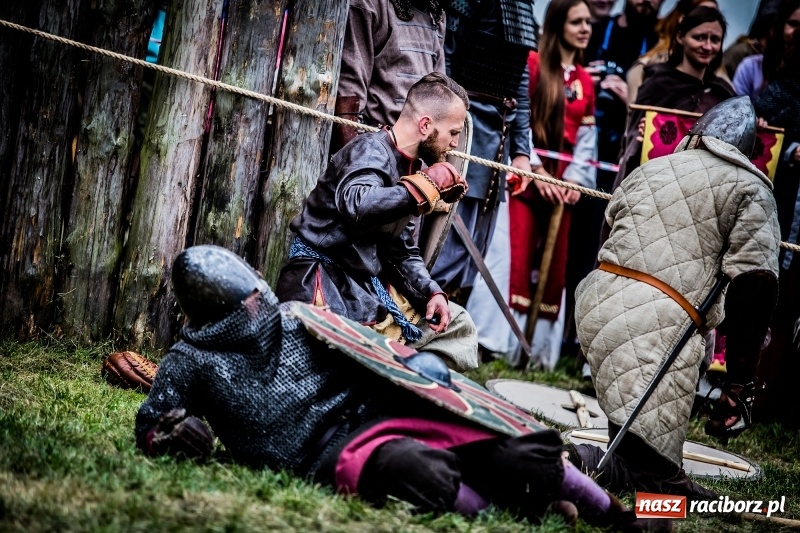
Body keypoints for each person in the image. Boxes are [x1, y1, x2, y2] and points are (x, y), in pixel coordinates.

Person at [134, 244, 669, 531]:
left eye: (257, 293)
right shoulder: (192, 360)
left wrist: (425, 376)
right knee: (423, 471)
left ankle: (624, 518)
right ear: (219, 314)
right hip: (332, 451)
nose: (260, 302)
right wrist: (175, 432)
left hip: (382, 411)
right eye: (249, 301)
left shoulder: (298, 316)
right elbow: (153, 423)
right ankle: (516, 512)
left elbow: (377, 355)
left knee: (523, 451)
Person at [570, 97, 780, 499]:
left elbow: (607, 237)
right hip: (660, 327)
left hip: (597, 305)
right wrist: (739, 384)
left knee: (635, 455)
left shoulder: (651, 169)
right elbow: (755, 286)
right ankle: (584, 467)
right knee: (661, 486)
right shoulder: (751, 188)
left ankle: (585, 466)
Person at [276, 72, 478, 371]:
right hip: (324, 287)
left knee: (458, 326)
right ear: (425, 125)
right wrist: (422, 187)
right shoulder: (369, 150)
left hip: (361, 288)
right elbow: (356, 204)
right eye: (452, 132)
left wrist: (430, 292)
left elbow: (401, 251)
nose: (455, 143)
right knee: (349, 369)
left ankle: (397, 389)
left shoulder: (409, 167)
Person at [467, 0, 597, 369]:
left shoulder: (584, 81)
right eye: (577, 21)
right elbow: (520, 119)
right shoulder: (535, 64)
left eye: (588, 21)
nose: (586, 28)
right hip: (525, 178)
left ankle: (536, 355)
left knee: (553, 267)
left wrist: (574, 181)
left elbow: (586, 140)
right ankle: (493, 343)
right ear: (559, 25)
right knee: (512, 257)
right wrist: (535, 169)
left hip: (563, 186)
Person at [428, 0, 539, 300]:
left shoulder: (521, 5)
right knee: (443, 245)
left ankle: (443, 332)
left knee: (473, 250)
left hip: (498, 140)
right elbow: (444, 65)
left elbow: (519, 80)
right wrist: (448, 129)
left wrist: (521, 153)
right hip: (463, 131)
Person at [613, 6, 734, 190]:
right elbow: (632, 143)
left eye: (715, 39)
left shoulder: (723, 94)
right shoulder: (658, 84)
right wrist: (644, 136)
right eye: (699, 37)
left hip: (701, 190)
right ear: (680, 37)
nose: (707, 46)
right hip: (652, 185)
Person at [752, 28, 800, 424]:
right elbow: (756, 144)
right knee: (768, 302)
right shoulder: (782, 92)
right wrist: (790, 154)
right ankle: (749, 398)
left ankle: (783, 405)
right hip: (778, 210)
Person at [330, 0, 446, 153]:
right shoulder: (370, 4)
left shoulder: (435, 13)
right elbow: (351, 88)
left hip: (418, 148)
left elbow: (439, 91)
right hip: (374, 146)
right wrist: (354, 159)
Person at [626, 0, 719, 106]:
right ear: (682, 19)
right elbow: (634, 115)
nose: (707, 46)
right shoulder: (646, 68)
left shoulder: (720, 78)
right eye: (702, 14)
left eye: (714, 15)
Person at [732, 0, 800, 99]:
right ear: (780, 25)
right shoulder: (750, 67)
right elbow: (736, 108)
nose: (797, 32)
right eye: (793, 24)